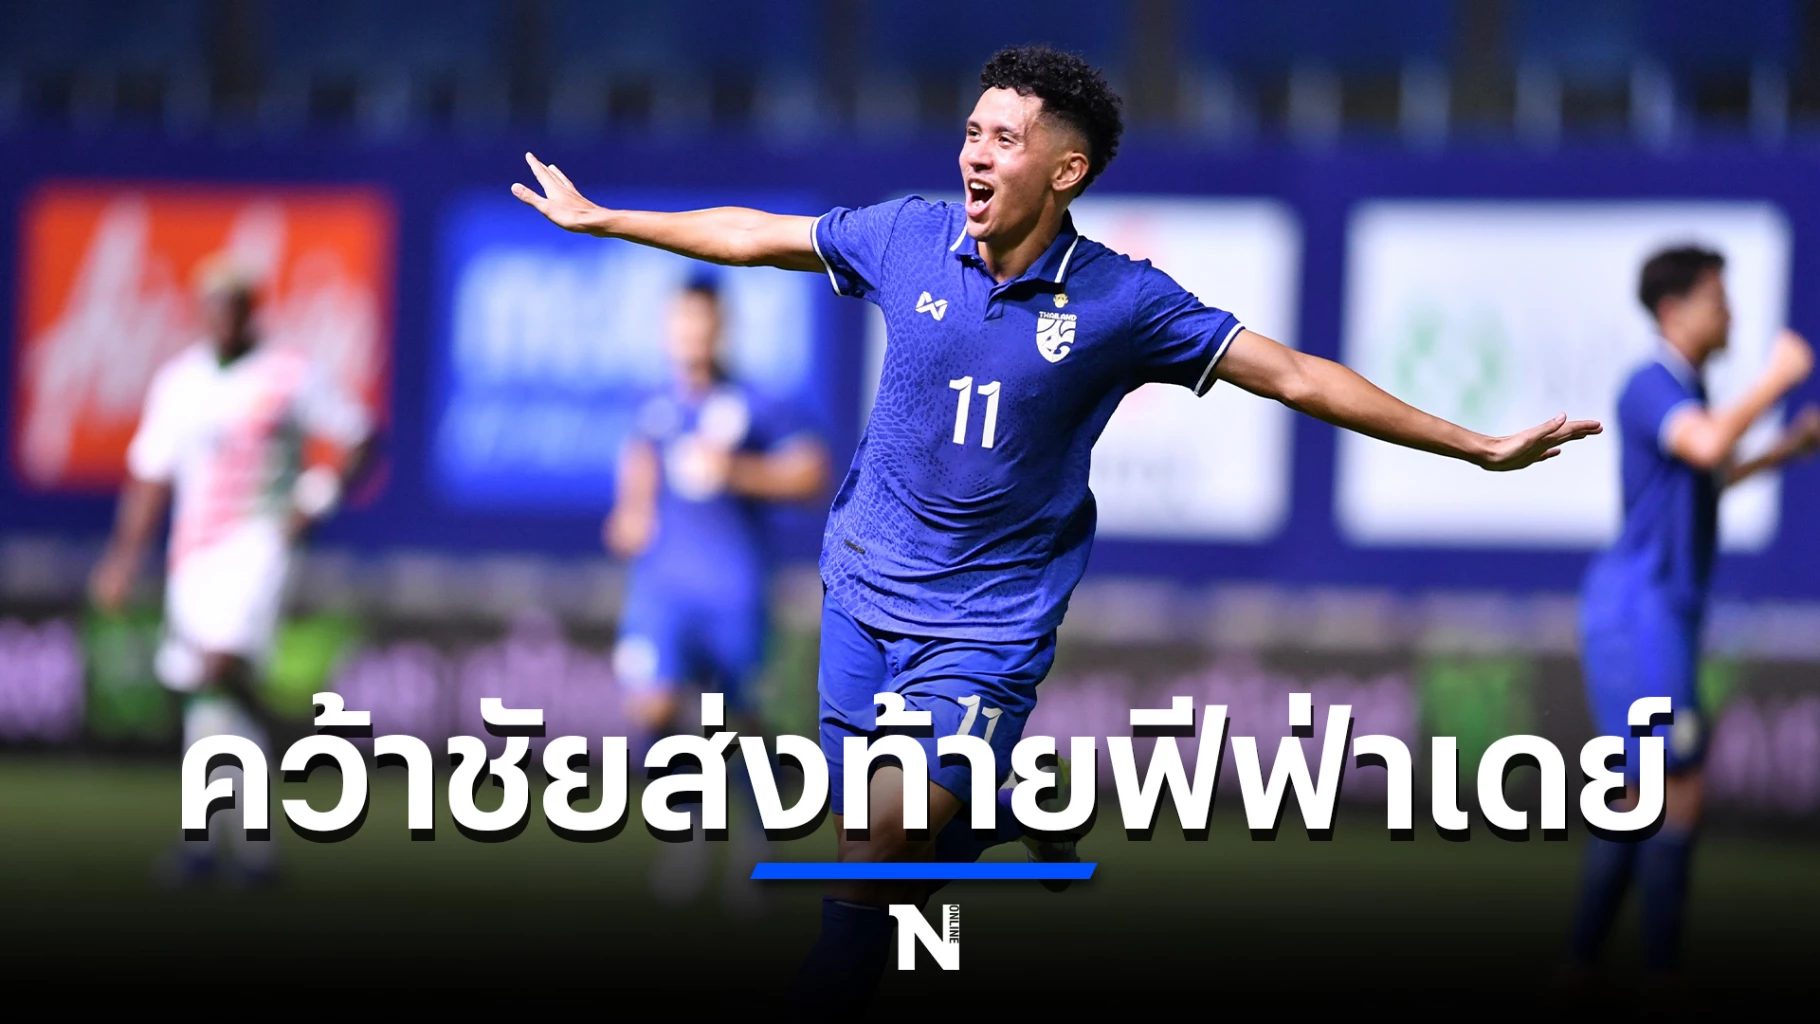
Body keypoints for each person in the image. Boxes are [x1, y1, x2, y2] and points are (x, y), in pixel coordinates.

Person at [514, 43, 1601, 1006]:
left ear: (1065, 170)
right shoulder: (908, 236)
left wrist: (1473, 444)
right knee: (874, 854)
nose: (973, 155)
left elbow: (1295, 375)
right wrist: (609, 219)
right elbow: (757, 236)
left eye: (1003, 138)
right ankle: (996, 808)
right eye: (970, 132)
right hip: (862, 592)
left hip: (985, 623)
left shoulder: (1124, 303)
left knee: (877, 852)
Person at [1568, 246, 1819, 994]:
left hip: (1659, 612)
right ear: (1674, 310)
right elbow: (1708, 444)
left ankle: (1580, 967)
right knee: (1675, 782)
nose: (1730, 312)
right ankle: (1658, 974)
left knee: (1640, 790)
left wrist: (1786, 450)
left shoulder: (1686, 389)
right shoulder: (1652, 383)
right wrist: (1777, 378)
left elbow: (1709, 475)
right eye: (1717, 298)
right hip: (1638, 610)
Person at [89, 256, 376, 886]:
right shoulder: (180, 382)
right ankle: (225, 845)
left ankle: (243, 845)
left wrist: (316, 497)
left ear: (252, 308)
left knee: (218, 670)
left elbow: (360, 435)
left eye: (234, 302)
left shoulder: (288, 373)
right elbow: (150, 474)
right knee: (205, 693)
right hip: (193, 554)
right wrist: (123, 557)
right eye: (213, 303)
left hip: (259, 544)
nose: (223, 315)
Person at [606, 273, 831, 911]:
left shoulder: (757, 404)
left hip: (734, 589)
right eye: (682, 322)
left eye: (702, 323)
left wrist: (735, 470)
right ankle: (687, 835)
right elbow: (637, 483)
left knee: (742, 724)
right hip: (663, 588)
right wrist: (630, 517)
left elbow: (810, 471)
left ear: (720, 328)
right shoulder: (652, 404)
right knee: (651, 706)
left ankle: (758, 845)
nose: (692, 335)